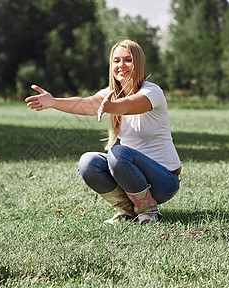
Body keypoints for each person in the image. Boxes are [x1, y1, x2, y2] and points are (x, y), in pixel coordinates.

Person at [25, 40, 181, 225]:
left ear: (138, 63)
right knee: (87, 162)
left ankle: (147, 210)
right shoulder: (111, 92)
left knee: (118, 153)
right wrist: (54, 102)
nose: (121, 65)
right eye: (116, 61)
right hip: (131, 177)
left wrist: (110, 106)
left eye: (128, 60)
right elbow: (86, 103)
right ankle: (127, 209)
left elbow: (130, 105)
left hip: (164, 181)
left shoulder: (152, 91)